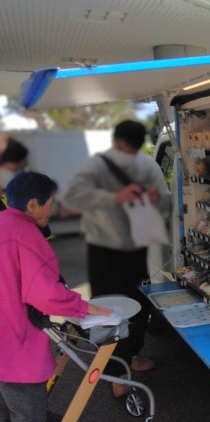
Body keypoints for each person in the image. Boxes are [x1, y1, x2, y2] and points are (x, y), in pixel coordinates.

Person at [59, 120, 170, 397]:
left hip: (125, 250)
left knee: (134, 304)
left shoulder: (143, 166)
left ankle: (131, 356)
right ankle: (116, 371)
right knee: (115, 308)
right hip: (111, 250)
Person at [0, 172, 111, 422]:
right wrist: (83, 307)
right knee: (29, 414)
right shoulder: (26, 234)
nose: (54, 209)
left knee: (6, 411)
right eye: (51, 202)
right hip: (17, 347)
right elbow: (45, 293)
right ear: (32, 205)